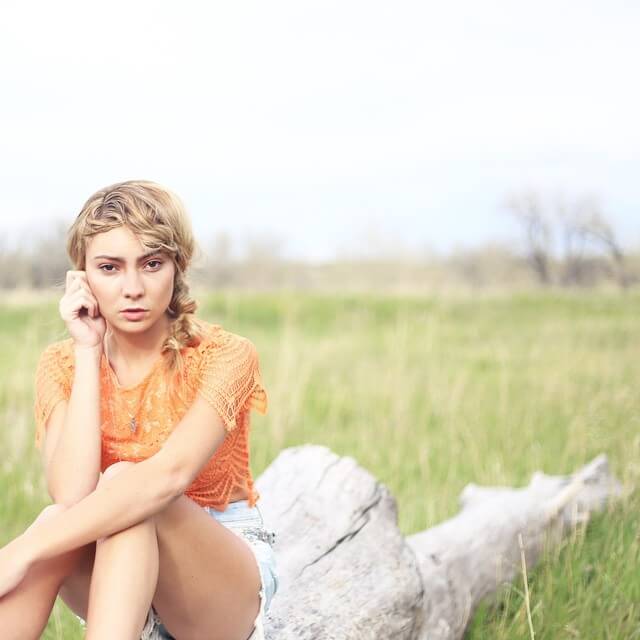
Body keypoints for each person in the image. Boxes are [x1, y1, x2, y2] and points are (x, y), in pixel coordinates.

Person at [0, 180, 279, 640]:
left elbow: (169, 477)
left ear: (177, 265)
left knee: (126, 487)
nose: (132, 288)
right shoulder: (61, 363)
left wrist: (20, 551)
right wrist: (87, 352)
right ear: (83, 276)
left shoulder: (225, 355)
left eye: (151, 264)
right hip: (113, 575)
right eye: (109, 268)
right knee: (67, 516)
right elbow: (70, 495)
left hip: (212, 591)